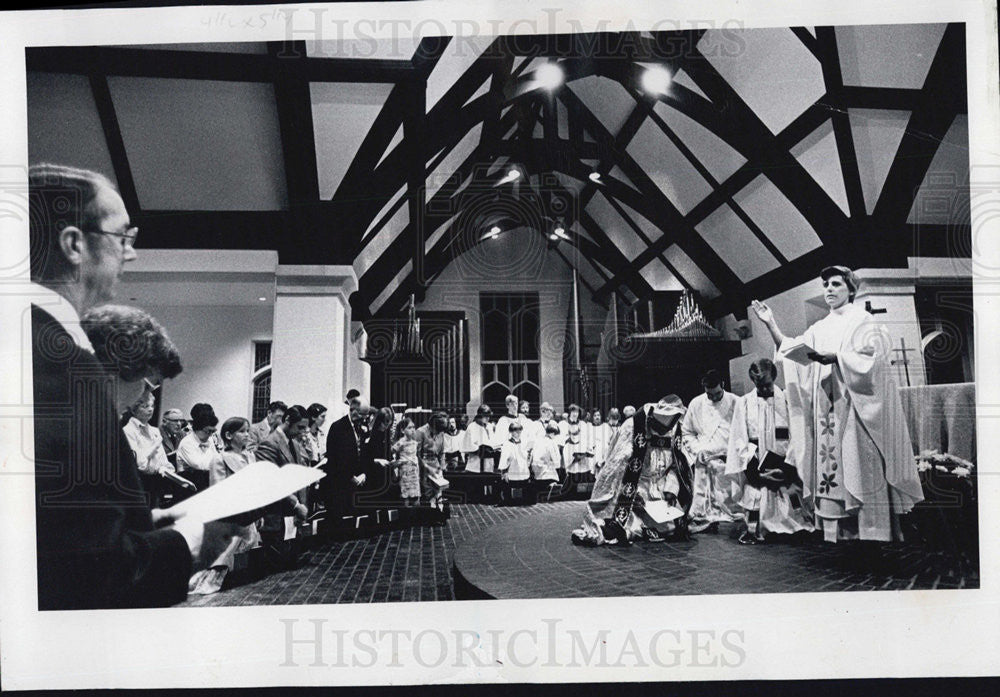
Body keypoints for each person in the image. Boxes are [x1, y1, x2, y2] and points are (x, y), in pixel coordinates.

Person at [27, 163, 208, 609]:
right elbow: (90, 575)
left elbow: (52, 528)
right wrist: (188, 540)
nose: (131, 253)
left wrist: (147, 521)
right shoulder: (60, 367)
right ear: (74, 243)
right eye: (122, 236)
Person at [751, 266, 923, 542]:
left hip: (855, 410)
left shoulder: (864, 321)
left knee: (859, 467)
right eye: (825, 285)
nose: (828, 289)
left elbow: (875, 360)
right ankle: (844, 534)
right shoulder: (820, 327)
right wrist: (770, 323)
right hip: (826, 411)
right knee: (834, 474)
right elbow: (793, 351)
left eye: (835, 284)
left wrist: (839, 358)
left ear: (850, 289)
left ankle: (872, 533)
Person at [572, 396, 690, 546]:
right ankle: (615, 530)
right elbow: (617, 466)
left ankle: (628, 532)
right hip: (633, 488)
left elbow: (678, 466)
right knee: (625, 521)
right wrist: (635, 493)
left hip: (661, 491)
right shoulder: (634, 426)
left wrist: (671, 489)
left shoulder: (675, 431)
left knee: (676, 526)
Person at [725, 359, 814, 545]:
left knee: (796, 520)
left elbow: (798, 436)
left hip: (784, 468)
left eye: (767, 385)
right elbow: (739, 439)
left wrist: (786, 467)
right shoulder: (744, 403)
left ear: (774, 377)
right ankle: (758, 527)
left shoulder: (788, 400)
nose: (765, 390)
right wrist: (754, 471)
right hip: (757, 468)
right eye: (759, 386)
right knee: (756, 509)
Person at [190, 417, 262, 595]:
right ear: (229, 435)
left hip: (249, 514)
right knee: (222, 558)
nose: (247, 435)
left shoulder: (250, 457)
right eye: (242, 431)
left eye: (248, 431)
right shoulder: (220, 458)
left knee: (247, 553)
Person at [681, 370, 740, 533]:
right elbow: (687, 432)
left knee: (730, 505)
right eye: (709, 394)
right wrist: (697, 450)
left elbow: (743, 431)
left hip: (727, 460)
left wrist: (732, 453)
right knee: (702, 507)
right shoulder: (696, 403)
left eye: (717, 394)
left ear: (723, 385)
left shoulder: (736, 402)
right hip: (704, 460)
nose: (713, 398)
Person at [323, 396, 370, 522]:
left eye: (366, 415)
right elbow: (334, 457)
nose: (365, 418)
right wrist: (350, 477)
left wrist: (364, 473)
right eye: (362, 414)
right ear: (353, 410)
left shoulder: (363, 428)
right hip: (342, 481)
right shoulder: (337, 427)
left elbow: (365, 452)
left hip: (359, 481)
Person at [122, 391, 175, 477]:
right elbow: (141, 465)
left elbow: (164, 461)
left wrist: (167, 469)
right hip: (143, 479)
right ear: (134, 409)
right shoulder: (128, 430)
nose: (150, 409)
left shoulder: (155, 431)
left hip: (161, 477)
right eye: (145, 406)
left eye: (152, 406)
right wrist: (155, 445)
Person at [175, 403, 223, 491]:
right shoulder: (187, 443)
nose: (210, 434)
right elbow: (202, 466)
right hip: (190, 485)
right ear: (198, 428)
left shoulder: (209, 439)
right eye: (208, 431)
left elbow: (218, 461)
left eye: (213, 431)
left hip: (205, 482)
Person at [415, 412, 450, 520]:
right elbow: (416, 454)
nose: (438, 433)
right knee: (428, 491)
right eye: (437, 430)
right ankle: (431, 514)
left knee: (439, 491)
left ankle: (439, 512)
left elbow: (442, 452)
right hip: (423, 466)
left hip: (436, 465)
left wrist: (442, 466)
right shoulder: (420, 432)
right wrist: (425, 467)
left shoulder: (441, 433)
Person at [498, 422, 531, 504]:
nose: (518, 433)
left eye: (520, 431)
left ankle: (523, 499)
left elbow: (526, 456)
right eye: (515, 431)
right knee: (510, 485)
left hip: (522, 469)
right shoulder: (507, 444)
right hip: (512, 469)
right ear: (511, 432)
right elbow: (504, 458)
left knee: (524, 484)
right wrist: (504, 471)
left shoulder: (524, 442)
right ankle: (508, 499)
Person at [391, 417, 421, 506]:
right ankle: (406, 517)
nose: (412, 430)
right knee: (406, 497)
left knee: (416, 496)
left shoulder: (415, 442)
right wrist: (398, 462)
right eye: (409, 428)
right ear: (403, 430)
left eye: (413, 427)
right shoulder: (401, 442)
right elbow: (392, 451)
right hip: (405, 472)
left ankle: (415, 516)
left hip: (414, 472)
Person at [461, 404, 495, 473]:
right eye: (485, 416)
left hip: (488, 463)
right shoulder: (472, 426)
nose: (488, 418)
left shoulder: (490, 426)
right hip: (475, 464)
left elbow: (493, 442)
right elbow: (468, 445)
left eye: (489, 416)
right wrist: (481, 449)